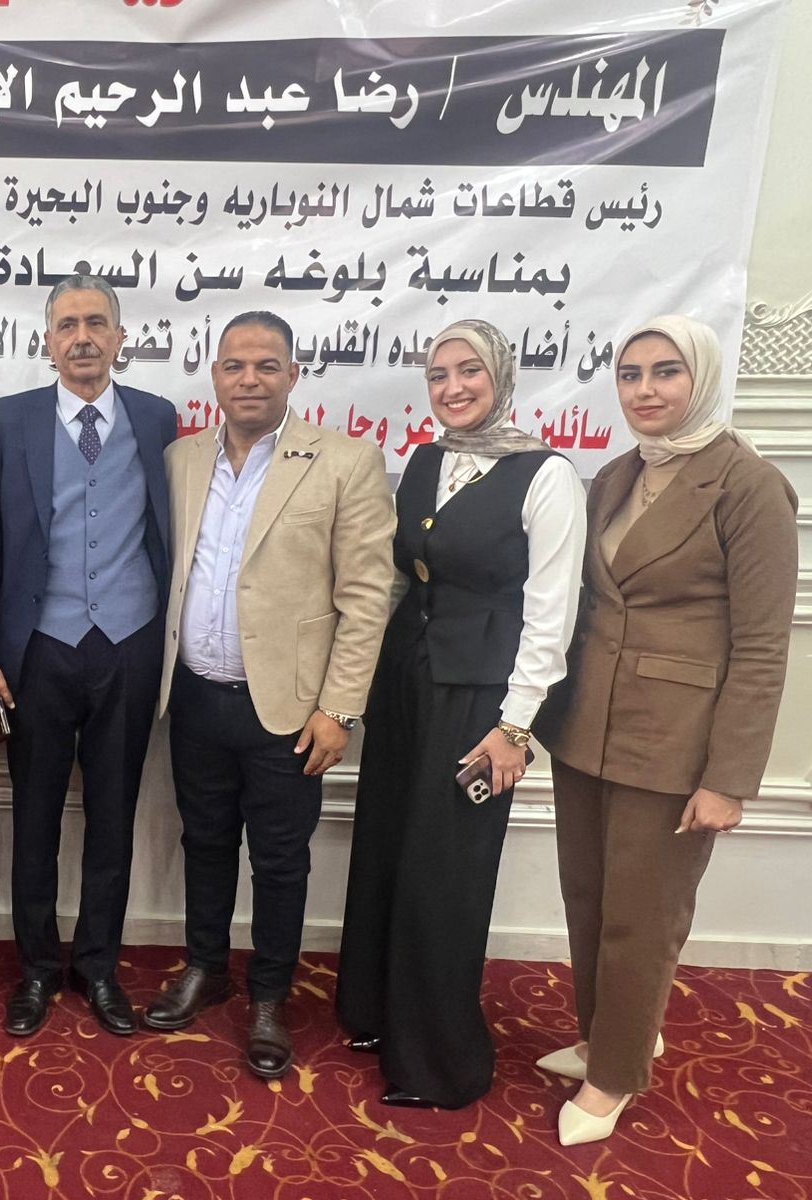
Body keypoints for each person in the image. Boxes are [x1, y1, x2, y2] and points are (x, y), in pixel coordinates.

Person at [533, 315, 797, 1145]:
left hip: (675, 743)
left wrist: (729, 779)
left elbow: (762, 647)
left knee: (641, 918)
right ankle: (603, 1038)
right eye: (630, 374)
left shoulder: (750, 485)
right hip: (587, 728)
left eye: (665, 372)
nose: (644, 390)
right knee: (588, 900)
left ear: (702, 378)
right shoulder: (616, 474)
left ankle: (615, 1075)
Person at [335, 318, 587, 1109]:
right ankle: (377, 1016)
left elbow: (551, 616)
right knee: (387, 847)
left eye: (468, 370)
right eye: (438, 374)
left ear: (500, 375)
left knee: (445, 871)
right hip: (405, 681)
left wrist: (515, 729)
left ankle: (439, 1065)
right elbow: (403, 577)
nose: (452, 388)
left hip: (480, 699)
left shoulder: (547, 475)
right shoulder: (425, 459)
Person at [143, 312, 396, 1081]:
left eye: (265, 365)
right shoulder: (181, 458)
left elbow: (367, 596)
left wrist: (339, 709)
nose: (248, 379)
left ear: (293, 374)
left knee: (281, 861)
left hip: (291, 711)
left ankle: (268, 999)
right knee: (204, 842)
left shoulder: (346, 461)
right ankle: (205, 967)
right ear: (215, 375)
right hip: (195, 696)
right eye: (234, 365)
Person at [0, 274, 177, 1038]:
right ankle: (36, 969)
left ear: (120, 338)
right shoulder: (9, 419)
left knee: (113, 817)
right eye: (67, 324)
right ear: (48, 340)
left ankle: (98, 966)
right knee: (35, 818)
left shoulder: (157, 418)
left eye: (95, 323)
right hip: (38, 651)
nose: (82, 337)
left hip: (129, 644)